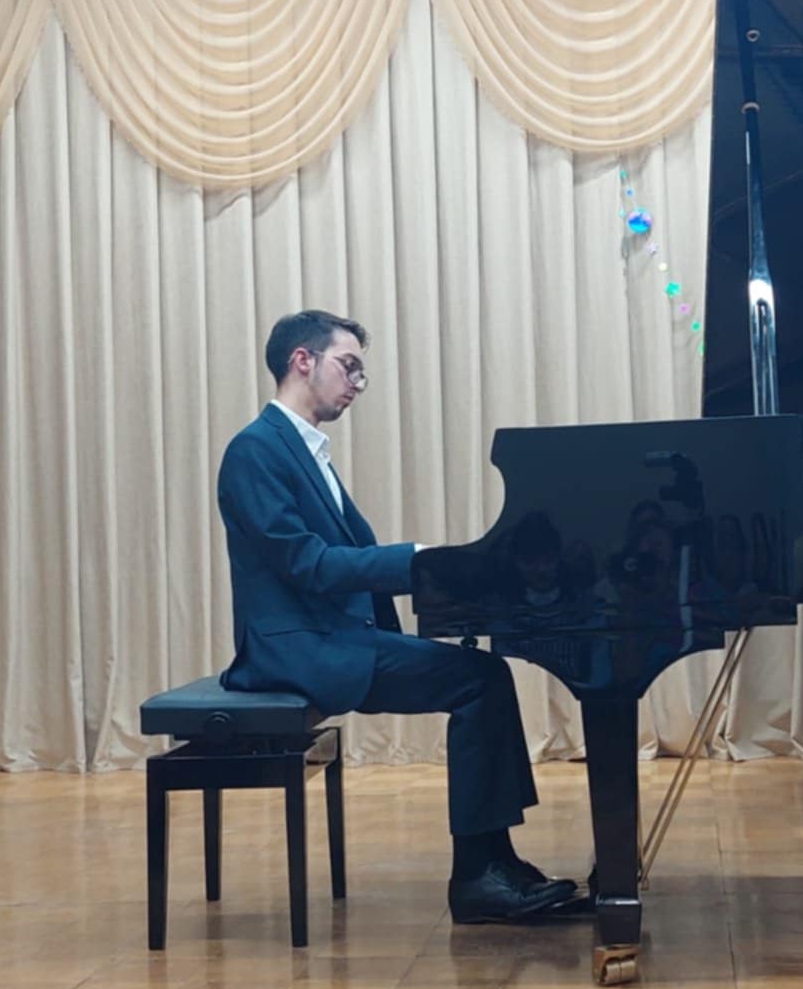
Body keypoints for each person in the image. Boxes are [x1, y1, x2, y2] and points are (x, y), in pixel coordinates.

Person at [216, 309, 576, 923]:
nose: (357, 383)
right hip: (295, 649)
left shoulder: (300, 450)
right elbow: (307, 564)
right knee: (480, 681)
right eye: (348, 366)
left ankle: (496, 861)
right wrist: (417, 561)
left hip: (327, 637)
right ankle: (478, 876)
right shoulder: (255, 450)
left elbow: (341, 559)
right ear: (302, 361)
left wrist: (444, 588)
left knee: (483, 676)